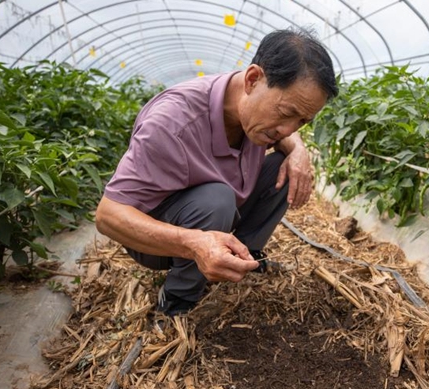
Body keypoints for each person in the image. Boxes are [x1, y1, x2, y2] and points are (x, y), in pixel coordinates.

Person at [95, 28, 338, 317]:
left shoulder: (254, 113)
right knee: (216, 199)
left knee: (282, 169)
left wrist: (298, 150)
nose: (288, 129)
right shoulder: (172, 123)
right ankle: (176, 299)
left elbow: (286, 131)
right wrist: (193, 244)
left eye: (302, 122)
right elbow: (107, 217)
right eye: (286, 114)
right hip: (157, 239)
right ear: (252, 80)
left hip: (214, 216)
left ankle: (240, 258)